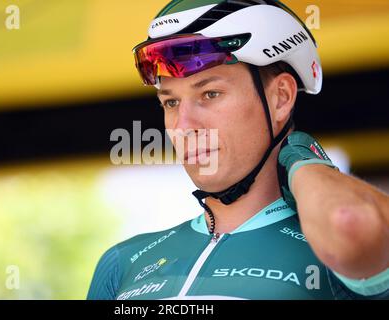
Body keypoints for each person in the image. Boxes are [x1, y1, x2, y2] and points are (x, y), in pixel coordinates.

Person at [87, 0, 388, 300]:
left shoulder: (331, 253)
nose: (183, 125)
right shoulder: (123, 261)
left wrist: (304, 161)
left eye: (210, 93)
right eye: (171, 102)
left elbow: (349, 220)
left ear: (281, 98)